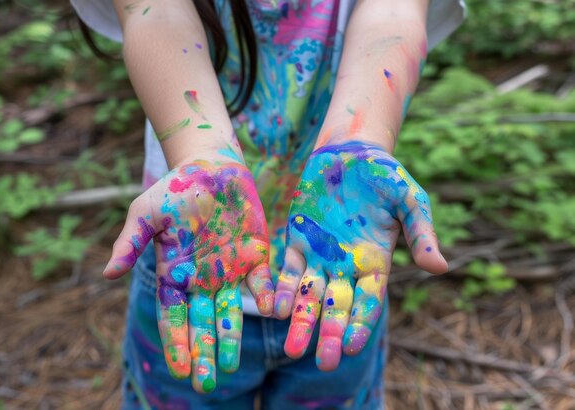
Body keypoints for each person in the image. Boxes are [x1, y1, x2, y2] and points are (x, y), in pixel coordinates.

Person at [72, 0, 465, 408]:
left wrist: (360, 138)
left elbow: (393, 12)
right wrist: (201, 153)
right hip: (191, 261)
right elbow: (154, 12)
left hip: (340, 271)